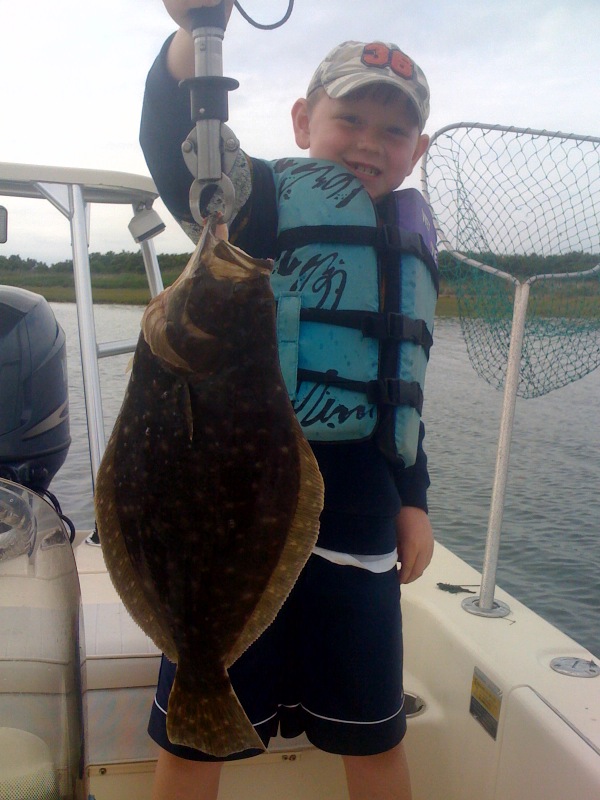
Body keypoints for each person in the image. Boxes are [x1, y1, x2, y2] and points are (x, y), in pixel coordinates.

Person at [140, 2, 435, 798]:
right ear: (304, 120)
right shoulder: (262, 205)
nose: (370, 143)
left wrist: (413, 498)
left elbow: (394, 391)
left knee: (374, 732)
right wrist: (188, 39)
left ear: (419, 150)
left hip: (361, 520)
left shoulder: (399, 248)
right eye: (350, 118)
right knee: (194, 738)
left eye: (393, 131)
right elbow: (176, 154)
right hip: (230, 515)